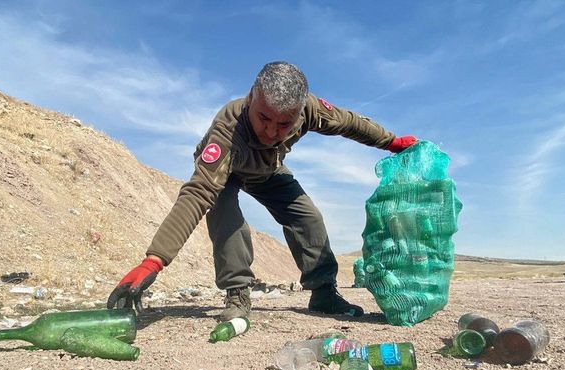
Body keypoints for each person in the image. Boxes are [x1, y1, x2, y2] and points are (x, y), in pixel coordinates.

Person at [107, 61, 416, 322]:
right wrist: (153, 261)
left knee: (308, 218)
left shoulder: (309, 108)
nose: (271, 131)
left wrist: (391, 142)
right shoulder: (227, 131)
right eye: (264, 118)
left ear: (299, 110)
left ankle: (323, 293)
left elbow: (349, 123)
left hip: (268, 170)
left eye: (284, 124)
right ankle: (238, 295)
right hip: (227, 169)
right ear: (252, 96)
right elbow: (197, 194)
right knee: (226, 217)